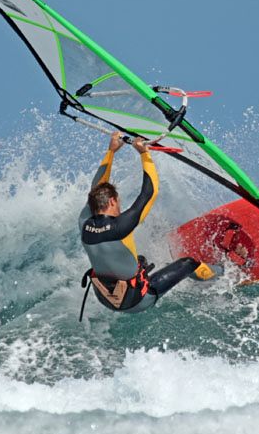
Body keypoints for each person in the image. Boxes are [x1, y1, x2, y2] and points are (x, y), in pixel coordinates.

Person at [77, 131, 216, 318]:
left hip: (106, 299)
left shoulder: (84, 223)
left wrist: (111, 152)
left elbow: (96, 189)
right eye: (118, 202)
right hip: (136, 301)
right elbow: (149, 193)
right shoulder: (121, 226)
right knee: (188, 263)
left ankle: (148, 276)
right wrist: (144, 153)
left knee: (139, 260)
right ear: (111, 202)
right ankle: (221, 275)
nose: (120, 206)